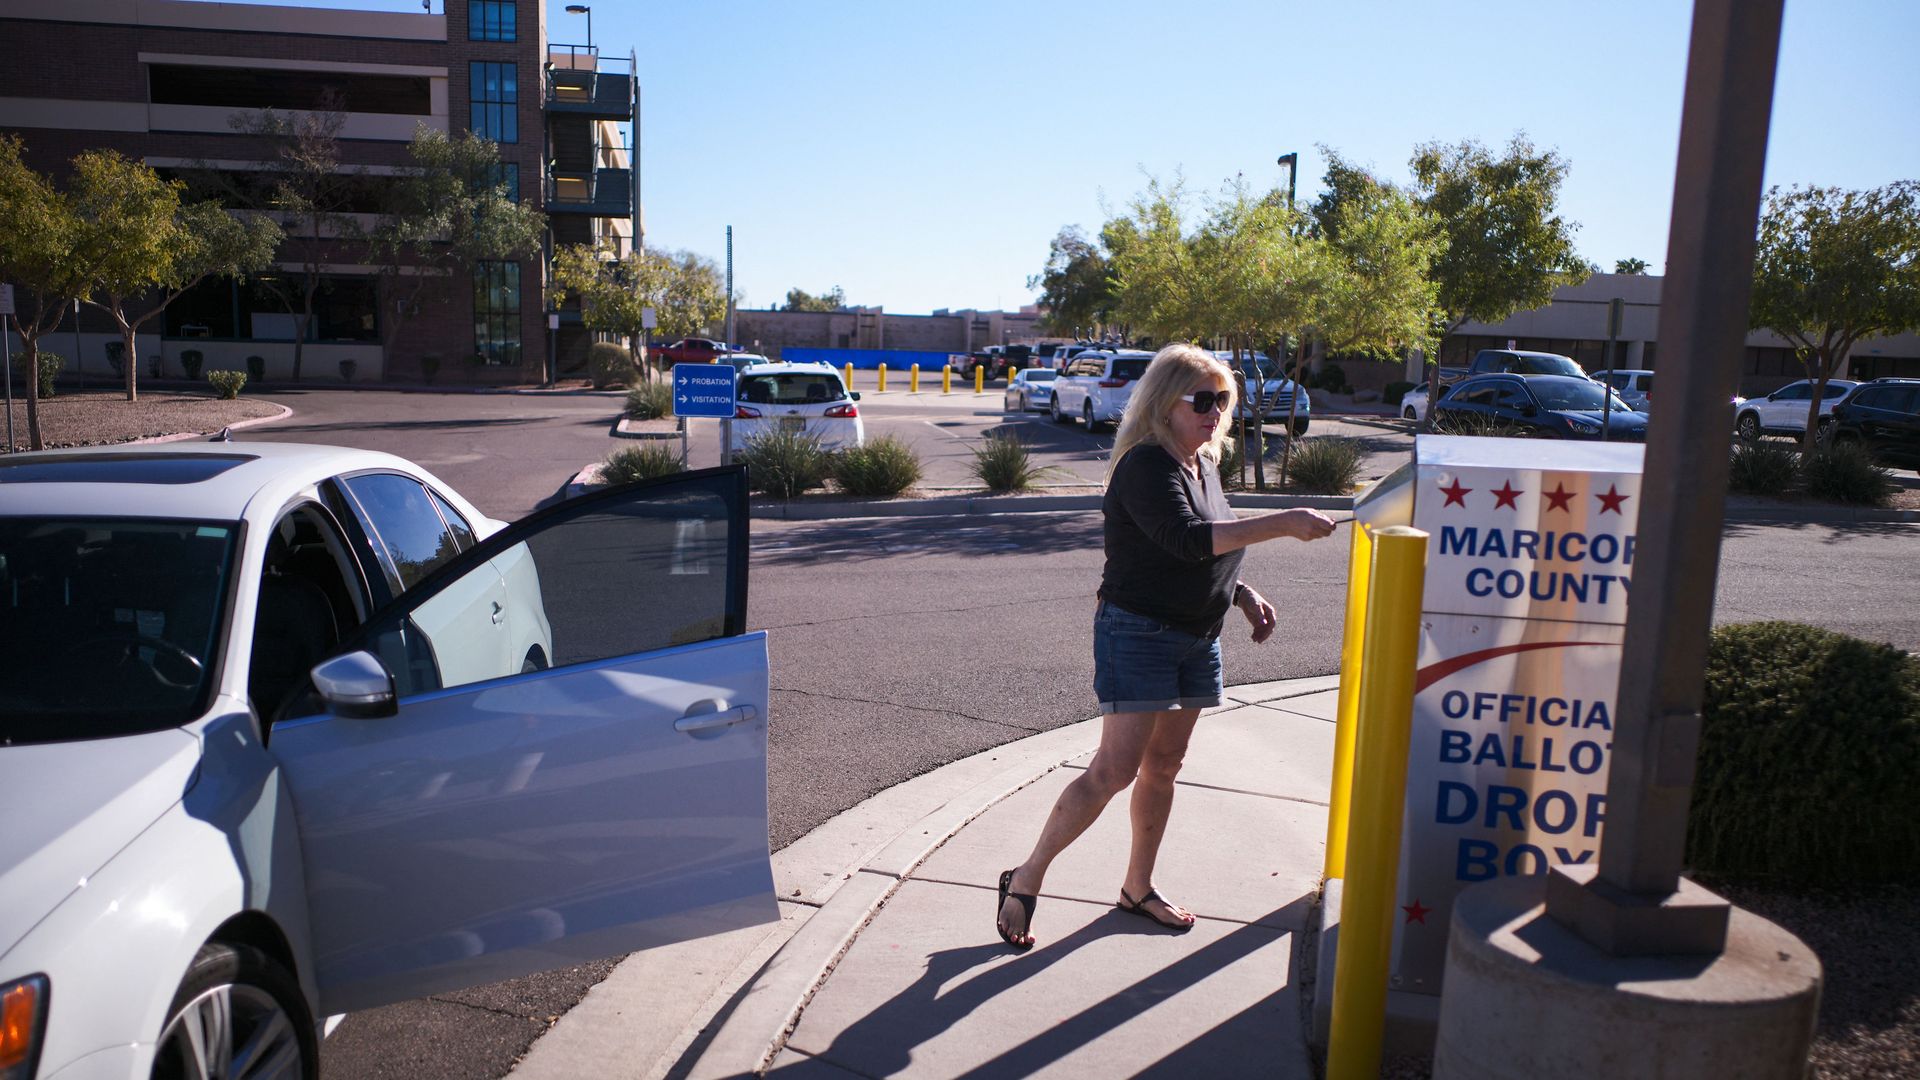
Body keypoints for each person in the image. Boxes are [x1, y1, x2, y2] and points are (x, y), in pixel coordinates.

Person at [995, 343, 1338, 948]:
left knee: (1164, 766)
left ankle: (1136, 889)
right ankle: (1025, 877)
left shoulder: (1200, 462)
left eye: (1222, 401)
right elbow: (1183, 540)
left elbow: (1213, 544)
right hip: (1139, 632)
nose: (1214, 412)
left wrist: (1241, 594)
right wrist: (1284, 521)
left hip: (1196, 635)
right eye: (1201, 400)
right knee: (1113, 771)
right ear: (1164, 403)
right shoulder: (1145, 466)